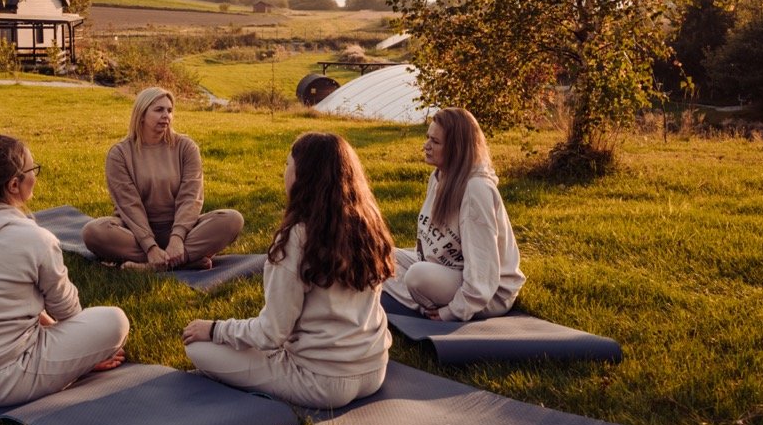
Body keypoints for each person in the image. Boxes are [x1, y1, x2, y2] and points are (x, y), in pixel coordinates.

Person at [181, 132, 394, 409]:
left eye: (286, 165)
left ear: (302, 176)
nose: (284, 172)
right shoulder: (368, 225)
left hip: (320, 382)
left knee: (197, 348)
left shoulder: (297, 237)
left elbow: (272, 334)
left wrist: (215, 330)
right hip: (375, 370)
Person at [0, 135, 129, 407]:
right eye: (33, 170)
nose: (36, 176)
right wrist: (85, 354)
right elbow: (69, 313)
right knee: (115, 320)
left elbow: (5, 294)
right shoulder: (36, 239)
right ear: (14, 184)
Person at [383, 107, 526, 322]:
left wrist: (452, 312)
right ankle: (421, 297)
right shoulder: (440, 176)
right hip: (449, 269)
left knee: (416, 276)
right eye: (427, 138)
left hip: (490, 293)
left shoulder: (476, 190)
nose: (426, 146)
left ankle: (426, 307)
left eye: (435, 142)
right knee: (377, 256)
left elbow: (482, 270)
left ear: (456, 148)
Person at [82, 86, 243, 270]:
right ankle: (183, 260)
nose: (166, 115)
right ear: (141, 114)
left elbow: (191, 197)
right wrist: (150, 246)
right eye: (159, 110)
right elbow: (129, 205)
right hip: (133, 232)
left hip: (181, 229)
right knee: (93, 231)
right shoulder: (119, 154)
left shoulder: (186, 147)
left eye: (169, 110)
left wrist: (177, 238)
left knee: (232, 219)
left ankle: (155, 265)